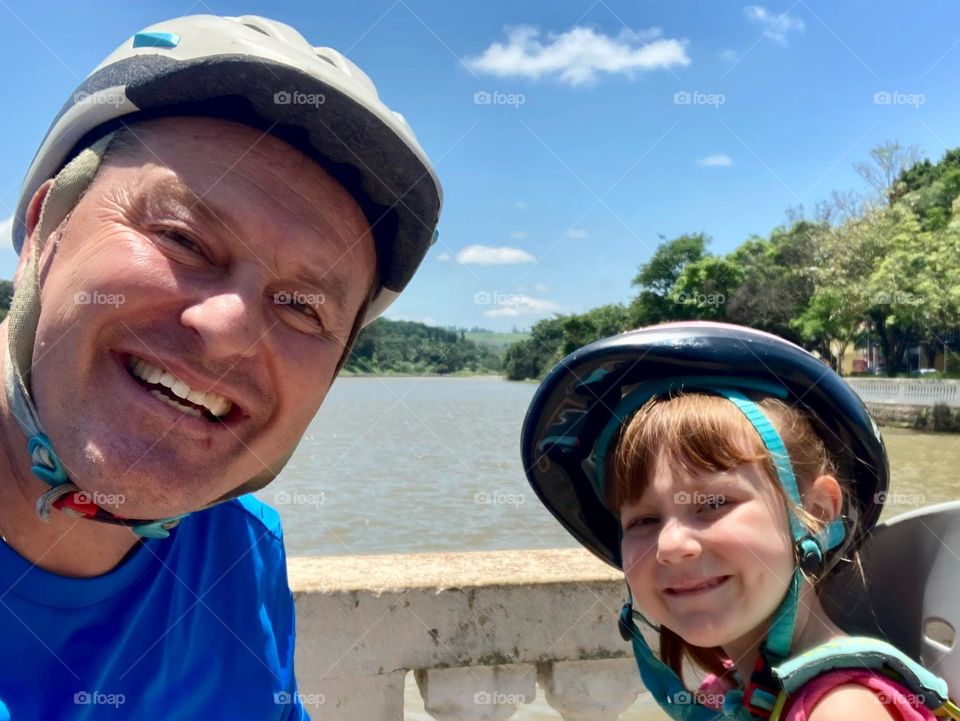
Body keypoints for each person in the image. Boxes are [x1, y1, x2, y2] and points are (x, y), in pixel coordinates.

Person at [0, 13, 441, 721]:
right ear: (44, 230)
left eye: (302, 306)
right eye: (182, 238)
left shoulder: (241, 550)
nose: (228, 332)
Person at [522, 321, 959, 721]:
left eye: (712, 503)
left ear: (819, 515)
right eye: (643, 520)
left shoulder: (842, 709)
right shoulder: (733, 690)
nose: (671, 545)